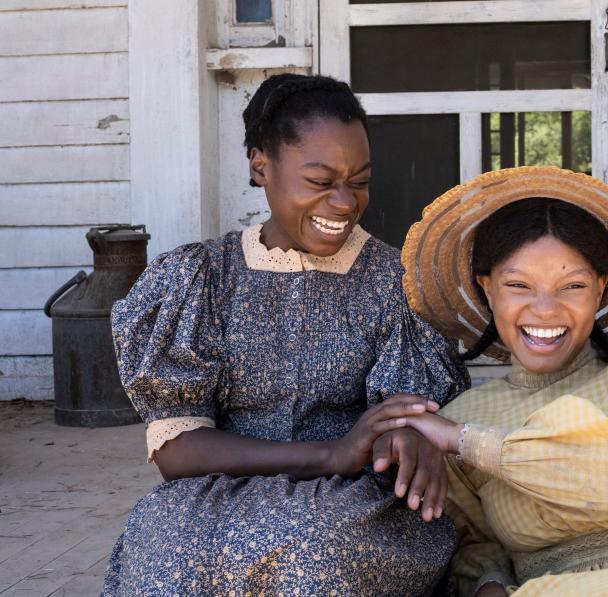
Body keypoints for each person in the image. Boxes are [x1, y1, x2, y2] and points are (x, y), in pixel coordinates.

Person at [103, 74, 469, 596]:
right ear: (261, 166)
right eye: (321, 182)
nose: (344, 202)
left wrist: (404, 439)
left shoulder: (396, 284)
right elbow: (176, 450)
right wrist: (327, 453)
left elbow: (401, 421)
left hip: (354, 500)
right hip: (217, 493)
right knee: (161, 549)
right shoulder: (201, 277)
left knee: (306, 549)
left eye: (359, 180)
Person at [394, 167, 608, 596]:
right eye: (518, 285)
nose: (544, 310)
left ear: (601, 287)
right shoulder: (463, 416)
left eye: (572, 285)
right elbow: (476, 543)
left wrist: (464, 440)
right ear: (487, 289)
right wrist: (489, 582)